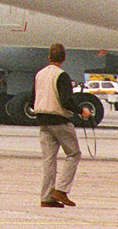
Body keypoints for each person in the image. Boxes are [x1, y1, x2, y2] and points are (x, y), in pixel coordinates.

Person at [29, 43, 90, 208]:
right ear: (64, 59)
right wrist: (81, 111)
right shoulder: (62, 76)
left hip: (42, 121)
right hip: (59, 121)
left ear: (49, 57)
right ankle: (61, 190)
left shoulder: (39, 75)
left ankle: (46, 197)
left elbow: (31, 99)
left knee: (49, 160)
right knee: (74, 154)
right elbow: (65, 101)